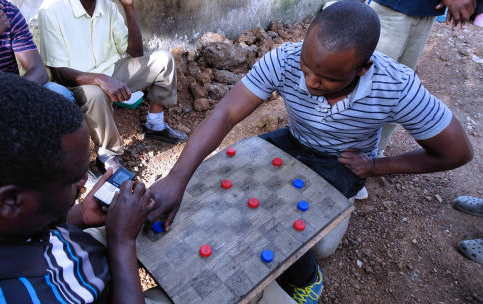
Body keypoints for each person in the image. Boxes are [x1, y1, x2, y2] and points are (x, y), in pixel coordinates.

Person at [146, 1, 473, 303]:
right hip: (293, 142)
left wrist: (375, 167)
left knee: (277, 225)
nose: (310, 82)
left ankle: (306, 280)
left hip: (342, 162)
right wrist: (177, 177)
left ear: (362, 69)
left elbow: (456, 152)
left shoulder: (396, 86)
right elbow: (225, 114)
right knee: (218, 184)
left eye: (328, 79)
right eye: (306, 67)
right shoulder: (286, 58)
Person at [0, 71, 158, 303]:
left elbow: (21, 233)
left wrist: (79, 215)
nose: (84, 184)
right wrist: (121, 243)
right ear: (10, 201)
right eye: (73, 181)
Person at [38, 0, 188, 172]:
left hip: (111, 70)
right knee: (95, 94)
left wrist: (129, 8)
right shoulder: (51, 10)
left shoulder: (107, 5)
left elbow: (136, 53)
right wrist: (100, 79)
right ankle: (106, 154)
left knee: (163, 59)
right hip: (75, 80)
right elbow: (58, 72)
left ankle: (155, 125)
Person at [369, 0, 476, 159]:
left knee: (398, 90)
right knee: (367, 83)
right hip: (392, 9)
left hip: (425, 11)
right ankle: (341, 150)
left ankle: (374, 154)